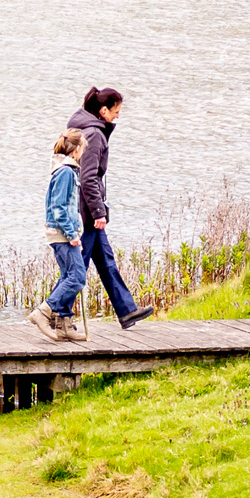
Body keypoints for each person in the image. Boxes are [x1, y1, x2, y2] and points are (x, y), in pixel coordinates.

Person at [67, 87, 154, 329]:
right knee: (78, 268)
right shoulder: (94, 134)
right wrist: (98, 212)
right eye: (116, 111)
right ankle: (58, 314)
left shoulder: (87, 128)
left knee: (105, 261)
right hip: (86, 213)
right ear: (103, 110)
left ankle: (126, 311)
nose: (117, 116)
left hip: (85, 209)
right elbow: (88, 177)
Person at [29, 130, 89, 342]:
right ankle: (44, 312)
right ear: (76, 150)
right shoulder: (66, 172)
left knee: (68, 276)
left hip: (60, 234)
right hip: (63, 234)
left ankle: (64, 325)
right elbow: (59, 208)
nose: (83, 153)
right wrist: (72, 234)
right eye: (83, 148)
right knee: (77, 277)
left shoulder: (64, 170)